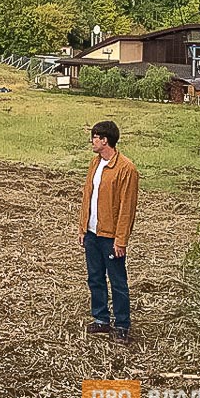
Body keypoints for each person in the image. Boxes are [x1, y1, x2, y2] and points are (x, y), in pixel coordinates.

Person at [78, 120, 140, 343]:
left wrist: (120, 240)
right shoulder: (95, 163)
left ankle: (122, 324)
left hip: (111, 236)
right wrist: (83, 228)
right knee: (95, 277)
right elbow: (88, 197)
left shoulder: (127, 169)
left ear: (105, 141)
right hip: (93, 233)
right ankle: (101, 319)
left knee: (117, 281)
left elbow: (127, 208)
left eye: (96, 137)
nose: (92, 140)